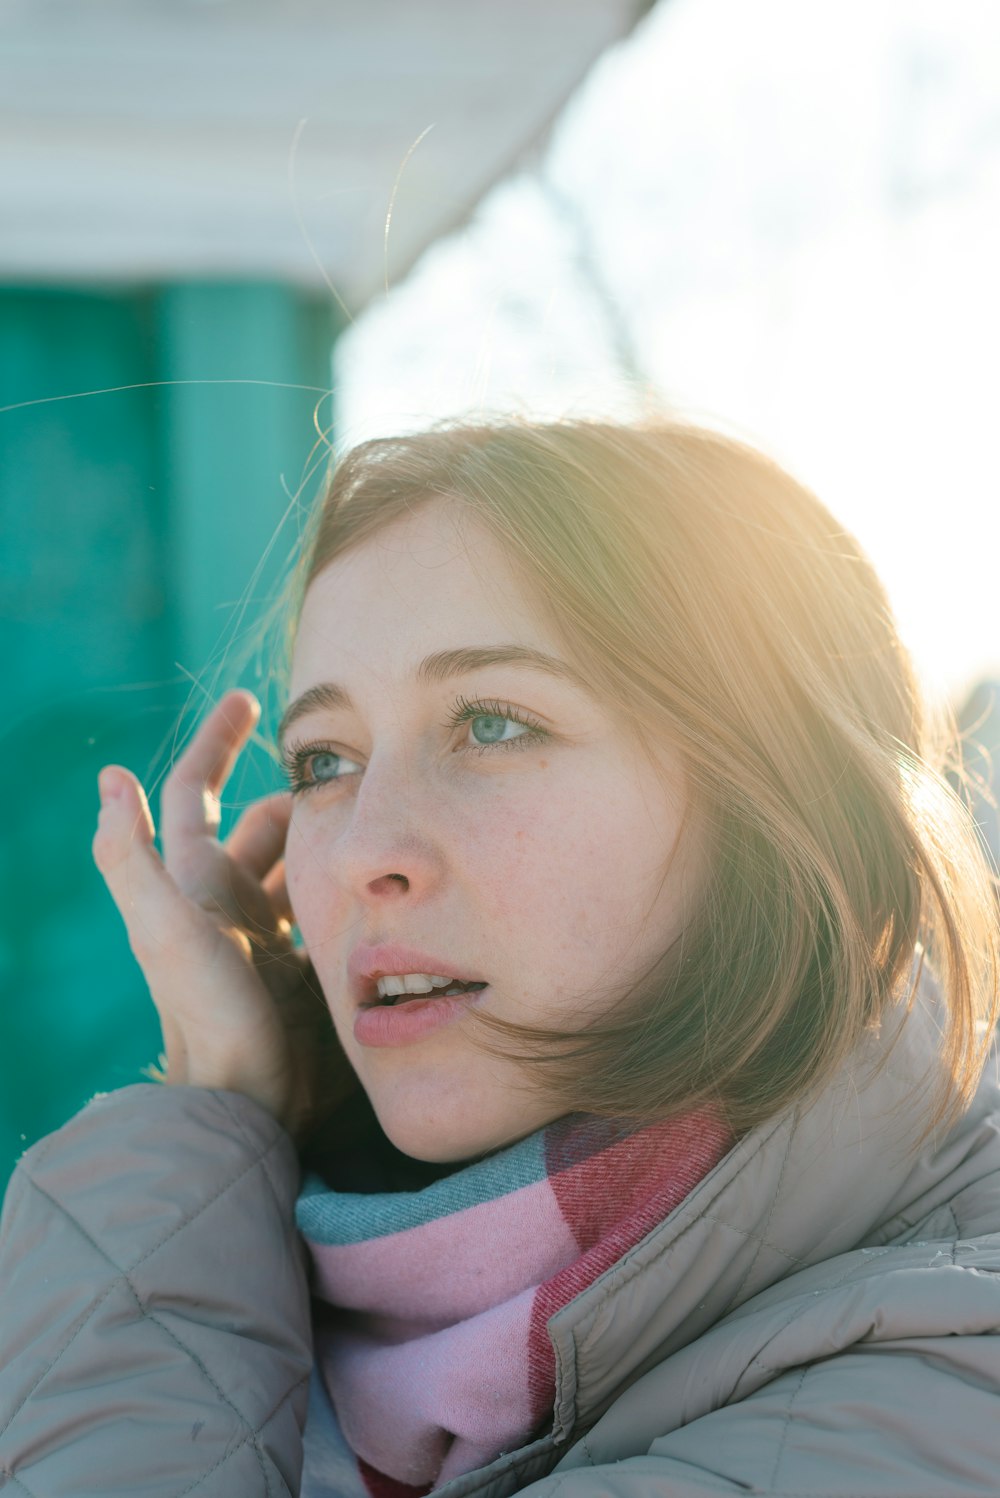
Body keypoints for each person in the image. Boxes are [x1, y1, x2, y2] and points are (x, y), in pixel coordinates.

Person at [2, 417, 999, 1497]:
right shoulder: (273, 1276)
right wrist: (225, 1115)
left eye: (492, 723)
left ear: (778, 804)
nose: (363, 852)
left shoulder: (946, 1363)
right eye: (325, 759)